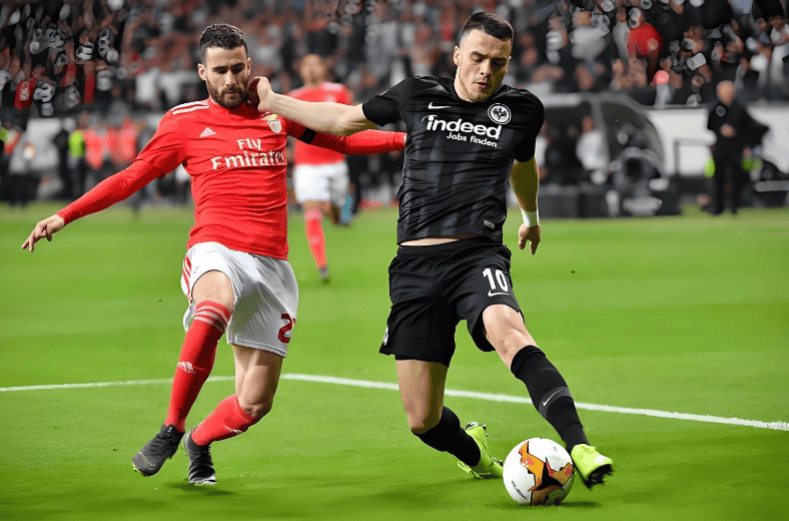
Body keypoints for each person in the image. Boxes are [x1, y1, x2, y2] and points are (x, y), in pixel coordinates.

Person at [21, 24, 405, 486]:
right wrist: (65, 214)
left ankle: (198, 441)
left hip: (272, 264)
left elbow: (341, 140)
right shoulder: (183, 121)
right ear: (203, 72)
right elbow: (131, 177)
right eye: (219, 70)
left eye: (238, 68)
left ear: (250, 66)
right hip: (215, 247)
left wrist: (406, 141)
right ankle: (171, 427)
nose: (230, 79)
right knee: (214, 305)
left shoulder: (274, 110)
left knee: (254, 404)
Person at [251, 12, 613, 489]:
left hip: (477, 255)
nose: (486, 70)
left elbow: (523, 166)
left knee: (509, 332)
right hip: (415, 267)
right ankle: (475, 453)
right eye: (478, 58)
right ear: (458, 55)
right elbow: (341, 120)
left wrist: (530, 217)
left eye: (499, 62)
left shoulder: (522, 109)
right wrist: (273, 100)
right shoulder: (417, 93)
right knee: (422, 418)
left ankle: (580, 446)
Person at [288, 54, 354, 284]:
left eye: (316, 64)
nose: (311, 69)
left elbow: (352, 119)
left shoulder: (338, 91)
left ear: (324, 68)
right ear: (301, 70)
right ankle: (322, 265)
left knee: (335, 213)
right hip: (307, 164)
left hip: (335, 161)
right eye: (307, 65)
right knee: (312, 210)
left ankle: (335, 213)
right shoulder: (294, 98)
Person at [706, 80, 765, 215]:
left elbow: (749, 129)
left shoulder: (740, 109)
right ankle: (718, 207)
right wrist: (721, 129)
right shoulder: (715, 108)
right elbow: (709, 125)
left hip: (736, 148)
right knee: (719, 178)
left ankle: (734, 206)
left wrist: (746, 145)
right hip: (721, 147)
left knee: (736, 177)